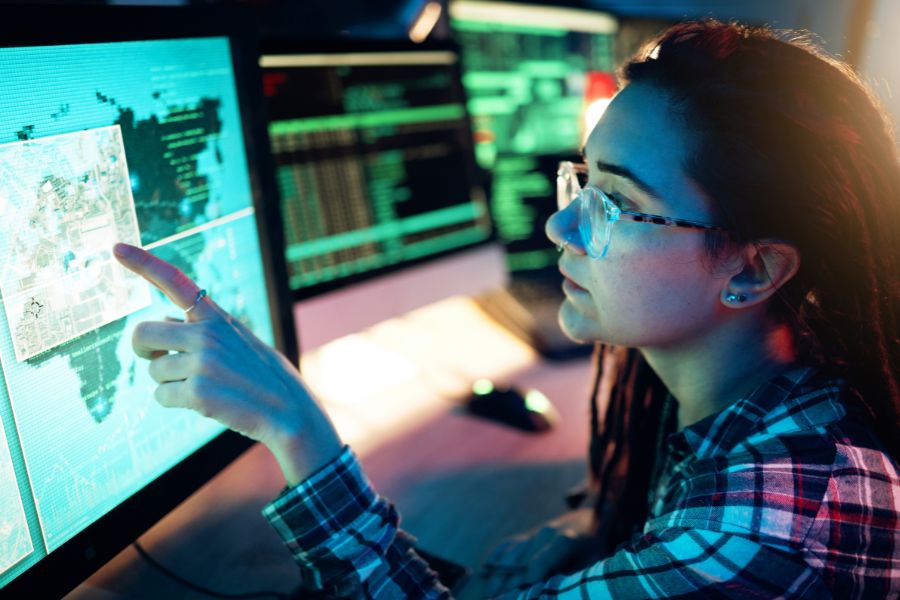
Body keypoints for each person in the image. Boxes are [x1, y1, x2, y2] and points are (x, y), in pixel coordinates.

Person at [113, 18, 900, 599]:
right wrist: (606, 529)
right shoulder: (766, 396)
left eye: (617, 203)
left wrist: (298, 427)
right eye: (582, 182)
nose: (560, 225)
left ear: (755, 268)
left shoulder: (761, 539)